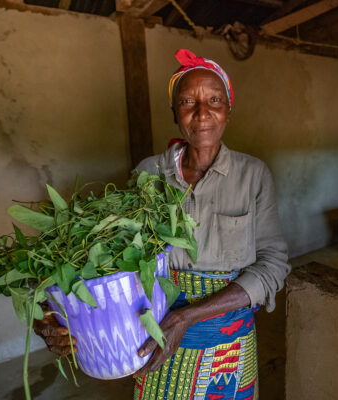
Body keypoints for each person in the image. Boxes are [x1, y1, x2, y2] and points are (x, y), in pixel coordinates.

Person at [34, 49, 290, 400]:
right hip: (154, 334)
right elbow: (113, 260)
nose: (202, 113)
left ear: (228, 110)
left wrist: (187, 317)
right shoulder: (148, 173)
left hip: (227, 337)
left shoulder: (253, 175)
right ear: (175, 114)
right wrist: (59, 314)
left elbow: (273, 265)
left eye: (214, 100)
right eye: (188, 101)